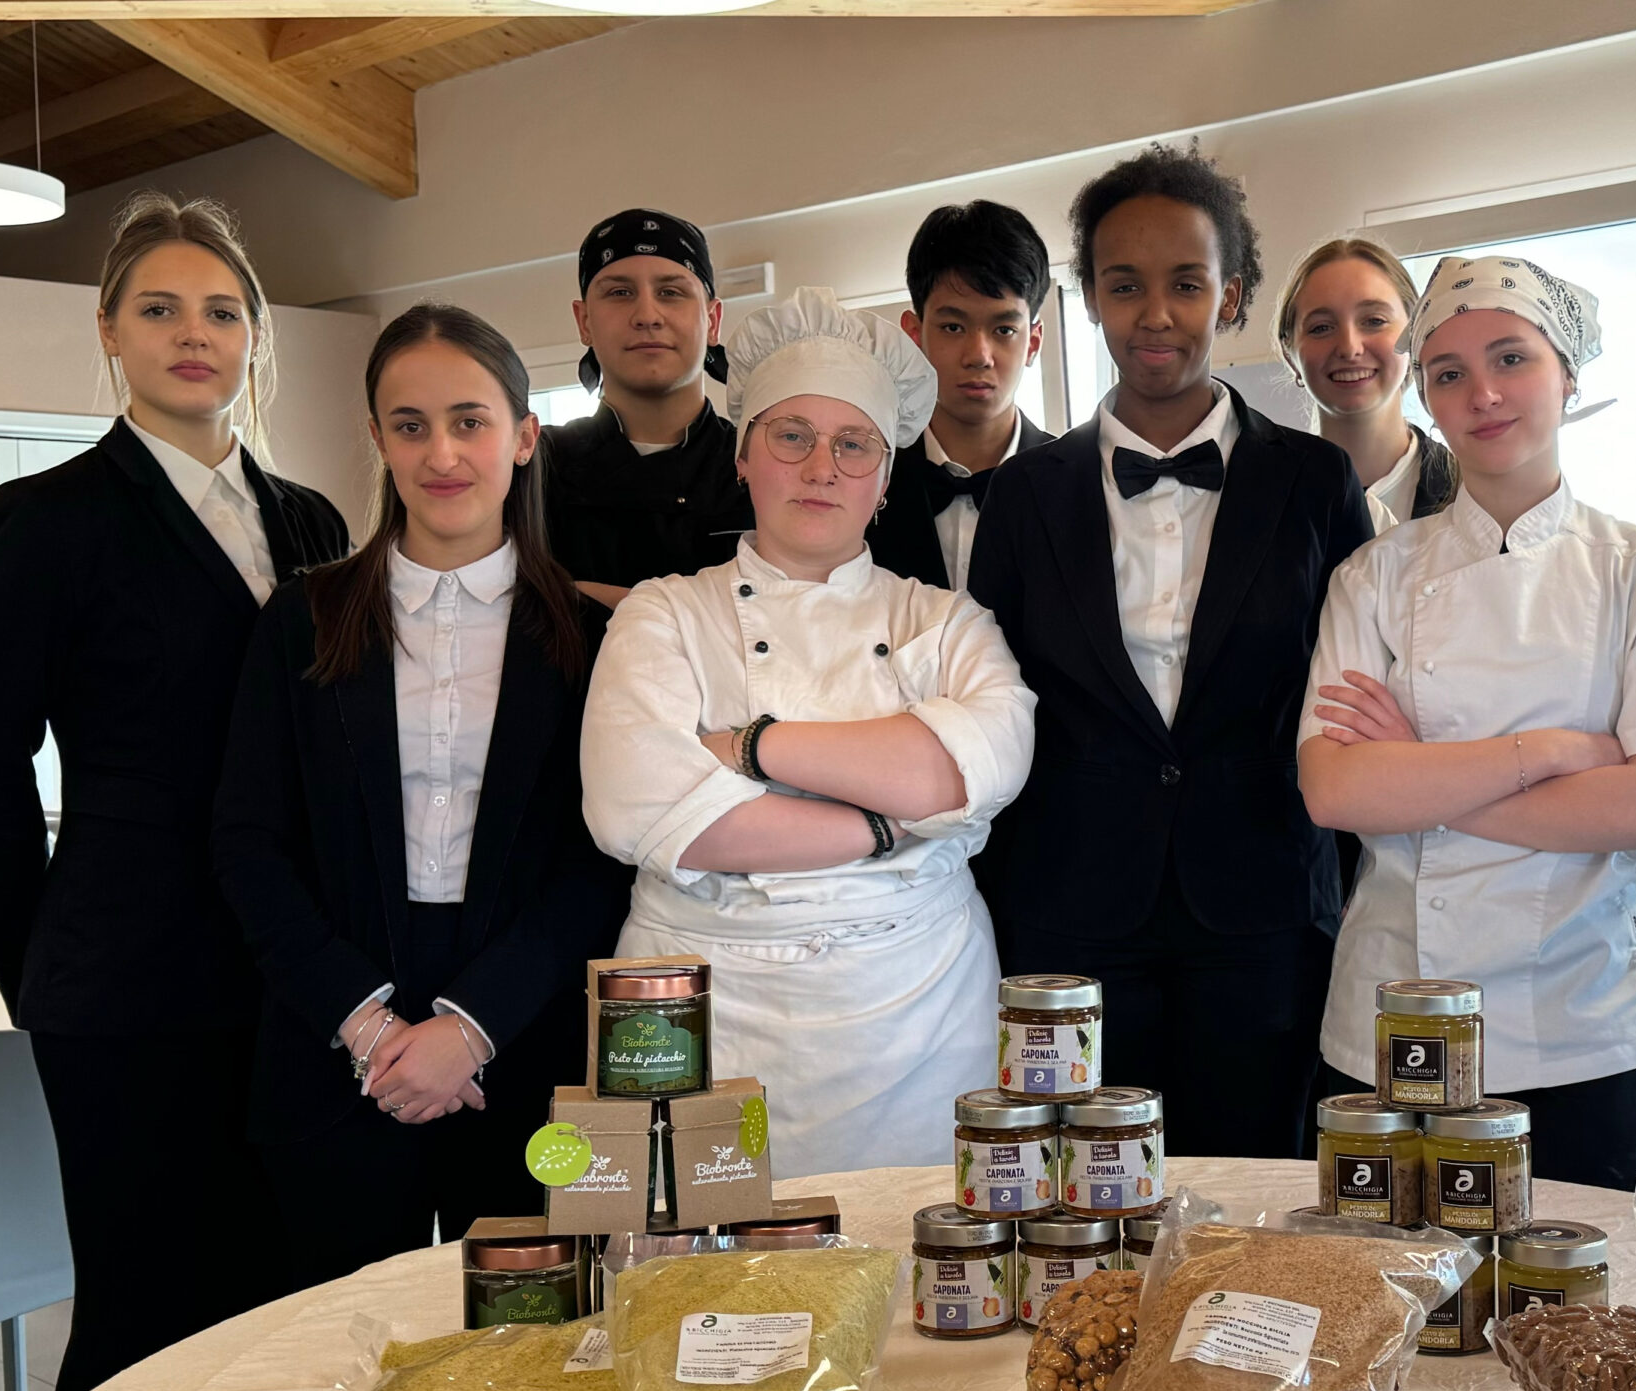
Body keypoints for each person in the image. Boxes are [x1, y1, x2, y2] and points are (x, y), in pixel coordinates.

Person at [0, 192, 349, 1391]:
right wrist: (41, 964)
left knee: (284, 1293)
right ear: (109, 329)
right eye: (159, 308)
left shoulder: (310, 521)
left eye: (222, 312)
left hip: (293, 976)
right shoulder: (48, 521)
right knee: (145, 1303)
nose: (193, 334)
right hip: (126, 981)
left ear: (254, 340)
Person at [212, 305, 631, 1288]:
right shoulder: (300, 622)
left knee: (531, 1365)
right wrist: (368, 1028)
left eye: (469, 421)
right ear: (378, 439)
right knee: (339, 1367)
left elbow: (601, 860)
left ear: (524, 437)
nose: (441, 452)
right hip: (333, 1033)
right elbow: (246, 845)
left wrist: (471, 1026)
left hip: (525, 1044)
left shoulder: (591, 639)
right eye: (410, 424)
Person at [970, 142, 1372, 1158]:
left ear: (1230, 295)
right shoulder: (1022, 495)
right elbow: (990, 694)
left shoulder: (1316, 482)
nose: (1156, 314)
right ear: (1090, 302)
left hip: (1265, 904)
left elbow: (1362, 691)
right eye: (1125, 285)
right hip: (1070, 907)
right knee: (1086, 1194)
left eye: (1186, 284)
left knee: (1256, 1187)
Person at [581, 288, 1035, 1177]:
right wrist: (882, 819)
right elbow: (638, 812)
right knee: (702, 1283)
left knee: (927, 1259)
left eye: (853, 443)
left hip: (919, 1007)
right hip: (705, 1008)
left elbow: (982, 762)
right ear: (745, 458)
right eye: (792, 436)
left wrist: (749, 748)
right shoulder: (663, 614)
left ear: (885, 478)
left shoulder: (945, 620)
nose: (821, 466)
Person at [1299, 255, 1636, 1188]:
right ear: (1428, 396)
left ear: (1568, 376)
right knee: (1396, 1303)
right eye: (1448, 374)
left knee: (1587, 1317)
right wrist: (1558, 755)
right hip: (1395, 1008)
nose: (1483, 394)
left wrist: (1418, 776)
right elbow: (1335, 788)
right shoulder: (1372, 577)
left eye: (1512, 359)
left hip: (1588, 1017)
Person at [539, 208, 750, 607]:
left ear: (712, 319)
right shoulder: (535, 468)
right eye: (620, 292)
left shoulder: (759, 465)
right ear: (584, 321)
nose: (647, 315)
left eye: (671, 292)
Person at [871, 200, 1057, 589]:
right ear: (913, 335)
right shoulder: (865, 481)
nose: (978, 356)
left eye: (1004, 330)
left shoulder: (1077, 485)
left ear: (1033, 343)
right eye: (953, 327)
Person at [1275, 236, 1456, 530]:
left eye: (1374, 321)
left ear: (1416, 334)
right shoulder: (1257, 501)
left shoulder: (1473, 493)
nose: (1349, 347)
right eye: (1321, 328)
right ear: (1289, 354)